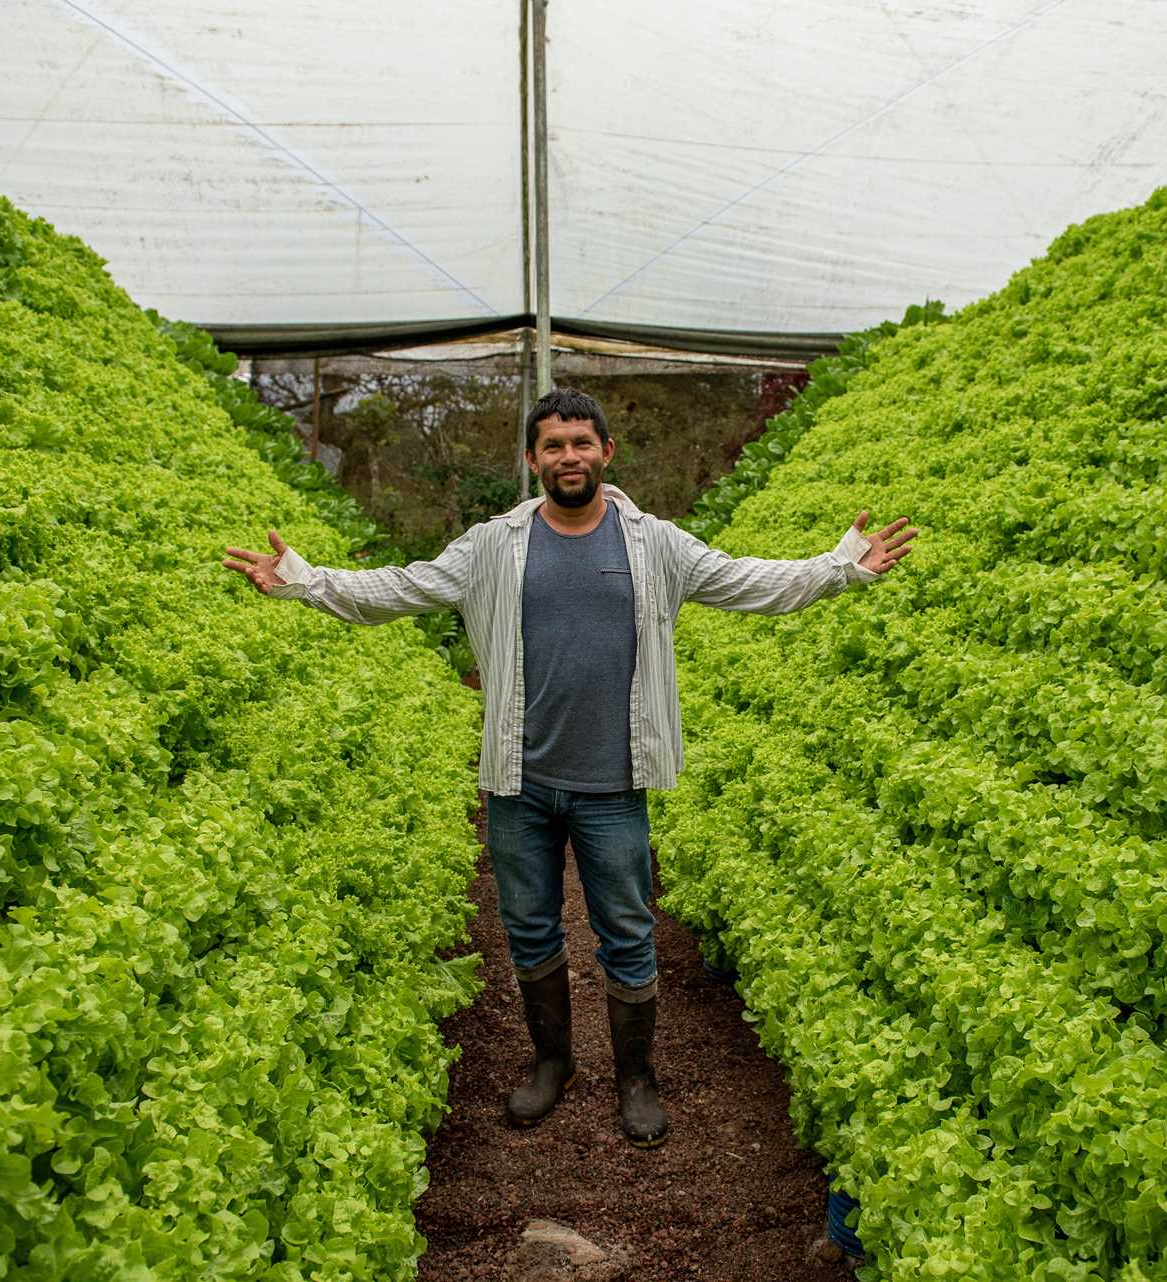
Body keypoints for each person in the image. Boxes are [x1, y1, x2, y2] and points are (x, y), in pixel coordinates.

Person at [222, 387, 917, 1149]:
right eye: (553, 446)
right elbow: (399, 587)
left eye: (582, 443)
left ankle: (636, 1077)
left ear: (607, 453)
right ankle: (551, 1063)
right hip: (519, 782)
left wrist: (845, 566)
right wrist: (302, 579)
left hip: (614, 785)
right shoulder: (493, 544)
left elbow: (753, 582)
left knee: (627, 930)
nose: (569, 457)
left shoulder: (656, 544)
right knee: (529, 928)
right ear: (532, 460)